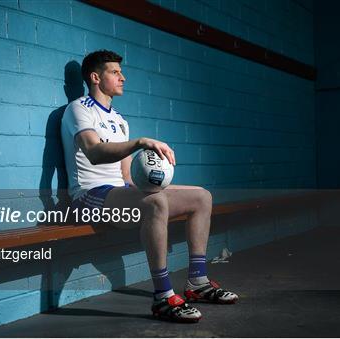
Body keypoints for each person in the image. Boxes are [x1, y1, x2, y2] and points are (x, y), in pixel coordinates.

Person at [61, 50, 238, 323]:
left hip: (116, 193)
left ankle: (197, 282)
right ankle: (163, 298)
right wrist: (141, 143)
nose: (123, 77)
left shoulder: (120, 120)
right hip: (88, 197)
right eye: (114, 72)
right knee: (156, 203)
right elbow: (94, 153)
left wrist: (151, 188)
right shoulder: (78, 109)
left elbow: (125, 175)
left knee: (201, 197)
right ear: (95, 77)